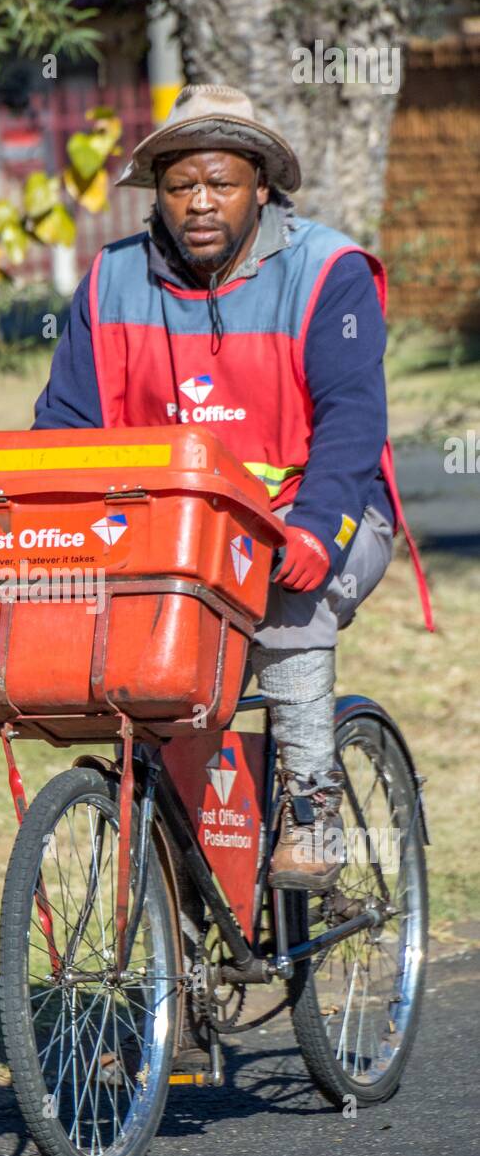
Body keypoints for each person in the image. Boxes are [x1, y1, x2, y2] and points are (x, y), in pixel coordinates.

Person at [32, 84, 434, 891]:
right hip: (174, 542)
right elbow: (64, 425)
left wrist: (317, 529)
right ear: (160, 194)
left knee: (285, 597)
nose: (201, 203)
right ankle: (181, 922)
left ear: (260, 184)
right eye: (182, 186)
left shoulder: (328, 273)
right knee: (148, 686)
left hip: (325, 519)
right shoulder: (110, 283)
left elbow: (353, 423)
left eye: (221, 183)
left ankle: (312, 809)